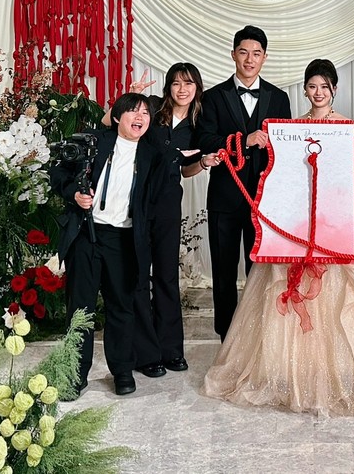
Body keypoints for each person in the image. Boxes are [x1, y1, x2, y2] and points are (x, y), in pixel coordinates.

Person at [203, 59, 354, 415]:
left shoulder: (347, 124)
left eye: (324, 86)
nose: (318, 92)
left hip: (344, 205)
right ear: (306, 91)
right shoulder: (293, 126)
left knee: (352, 286)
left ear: (334, 89)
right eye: (312, 86)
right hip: (304, 209)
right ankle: (300, 367)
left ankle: (345, 364)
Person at [108, 64, 218, 379]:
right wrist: (128, 97)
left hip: (169, 202)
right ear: (168, 87)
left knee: (167, 276)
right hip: (137, 199)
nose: (182, 89)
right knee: (139, 276)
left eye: (188, 83)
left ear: (197, 87)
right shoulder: (152, 108)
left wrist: (203, 162)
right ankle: (147, 354)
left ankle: (171, 350)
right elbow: (112, 124)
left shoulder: (198, 123)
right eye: (176, 83)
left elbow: (185, 170)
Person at [50, 93, 159, 398]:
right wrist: (74, 194)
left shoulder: (152, 155)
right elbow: (57, 171)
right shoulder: (95, 142)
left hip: (123, 239)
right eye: (133, 111)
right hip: (87, 233)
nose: (140, 117)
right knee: (80, 308)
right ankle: (75, 374)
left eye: (145, 113)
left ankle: (122, 371)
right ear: (117, 117)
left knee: (122, 306)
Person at [196, 25, 292, 341]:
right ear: (233, 54)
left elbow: (286, 147)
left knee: (260, 270)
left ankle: (257, 336)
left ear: (265, 57)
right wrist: (244, 140)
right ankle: (226, 336)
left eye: (256, 53)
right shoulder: (212, 97)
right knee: (223, 271)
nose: (250, 59)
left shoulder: (279, 98)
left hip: (264, 201)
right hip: (224, 197)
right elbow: (204, 140)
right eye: (243, 52)